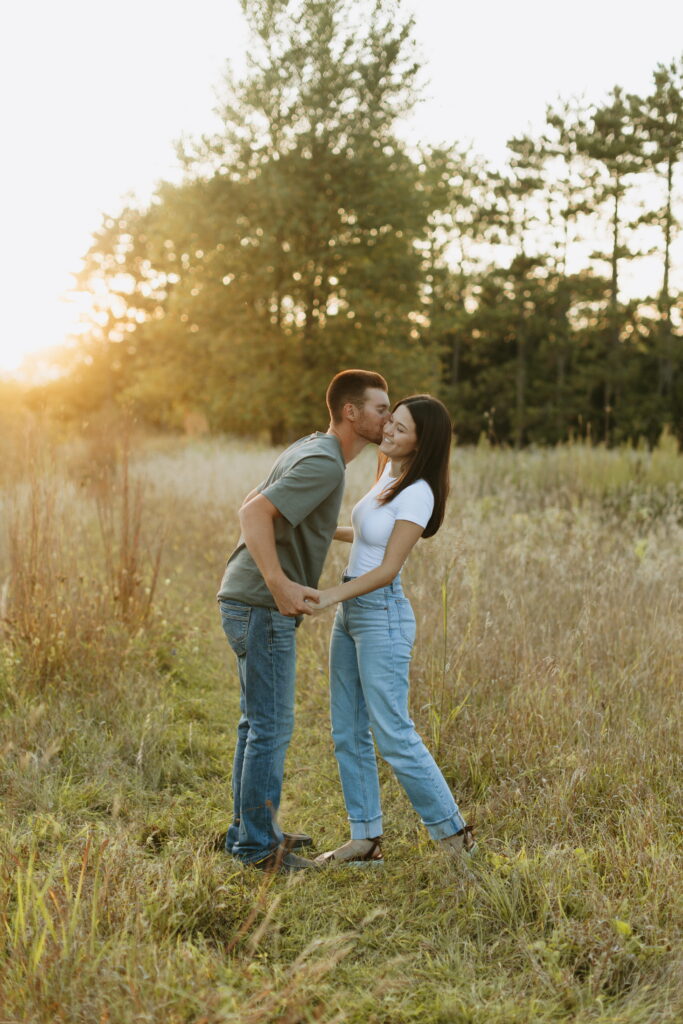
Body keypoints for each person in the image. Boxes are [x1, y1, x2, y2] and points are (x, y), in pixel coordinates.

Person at [217, 369, 390, 873]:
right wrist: (279, 584)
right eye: (381, 408)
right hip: (259, 604)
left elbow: (273, 510)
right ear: (352, 412)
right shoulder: (325, 464)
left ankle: (246, 833)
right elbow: (253, 515)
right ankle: (256, 851)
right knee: (270, 727)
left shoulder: (312, 449)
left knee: (255, 725)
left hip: (242, 599)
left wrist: (369, 534)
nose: (389, 416)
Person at [309, 395, 476, 865]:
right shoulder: (388, 470)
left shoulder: (418, 491)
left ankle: (455, 839)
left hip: (380, 612)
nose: (387, 431)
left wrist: (326, 597)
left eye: (400, 429)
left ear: (424, 443)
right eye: (390, 422)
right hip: (352, 612)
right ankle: (365, 841)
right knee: (347, 730)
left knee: (394, 734)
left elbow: (386, 569)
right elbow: (364, 534)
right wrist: (314, 530)